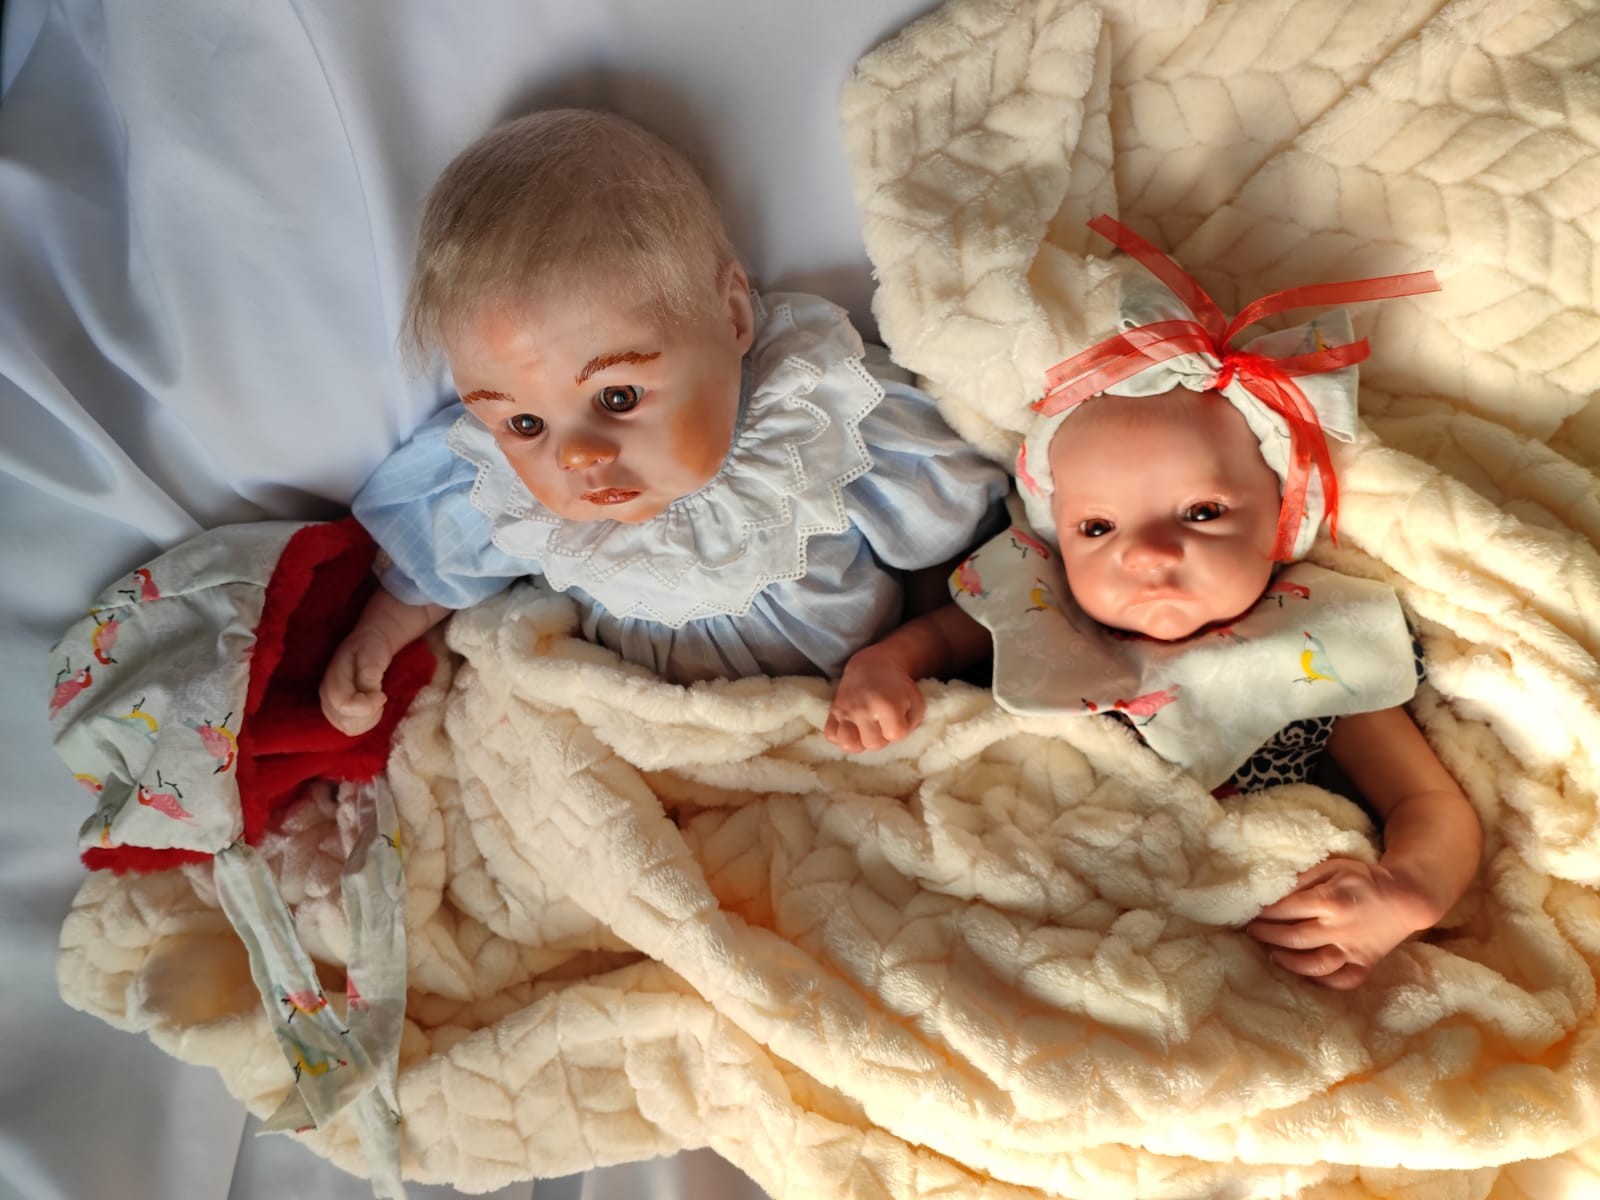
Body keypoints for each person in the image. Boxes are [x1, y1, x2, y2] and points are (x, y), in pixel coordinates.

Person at [824, 216, 1483, 990]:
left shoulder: (1314, 645)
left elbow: (1428, 803)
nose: (1146, 553)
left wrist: (1407, 892)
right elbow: (933, 643)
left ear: (1282, 519)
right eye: (1097, 528)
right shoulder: (1044, 603)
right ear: (1055, 533)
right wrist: (881, 668)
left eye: (1201, 512)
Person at [320, 109, 1008, 734]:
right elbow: (435, 572)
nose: (576, 457)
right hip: (639, 735)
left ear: (731, 318)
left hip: (830, 725)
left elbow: (985, 571)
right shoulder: (506, 492)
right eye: (526, 425)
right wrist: (373, 642)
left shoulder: (821, 425)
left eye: (618, 397)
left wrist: (901, 660)